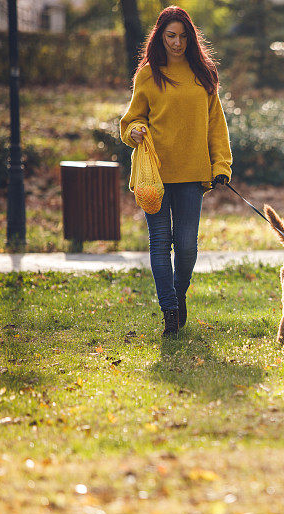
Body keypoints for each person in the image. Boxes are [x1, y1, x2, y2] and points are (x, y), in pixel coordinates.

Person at [120, 6, 232, 337]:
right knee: (159, 243)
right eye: (171, 36)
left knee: (186, 247)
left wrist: (221, 164)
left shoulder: (203, 72)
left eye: (183, 36)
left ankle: (177, 295)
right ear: (160, 36)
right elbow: (131, 120)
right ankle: (169, 309)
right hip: (154, 175)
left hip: (193, 173)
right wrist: (136, 131)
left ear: (191, 37)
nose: (177, 43)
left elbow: (216, 123)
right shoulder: (148, 74)